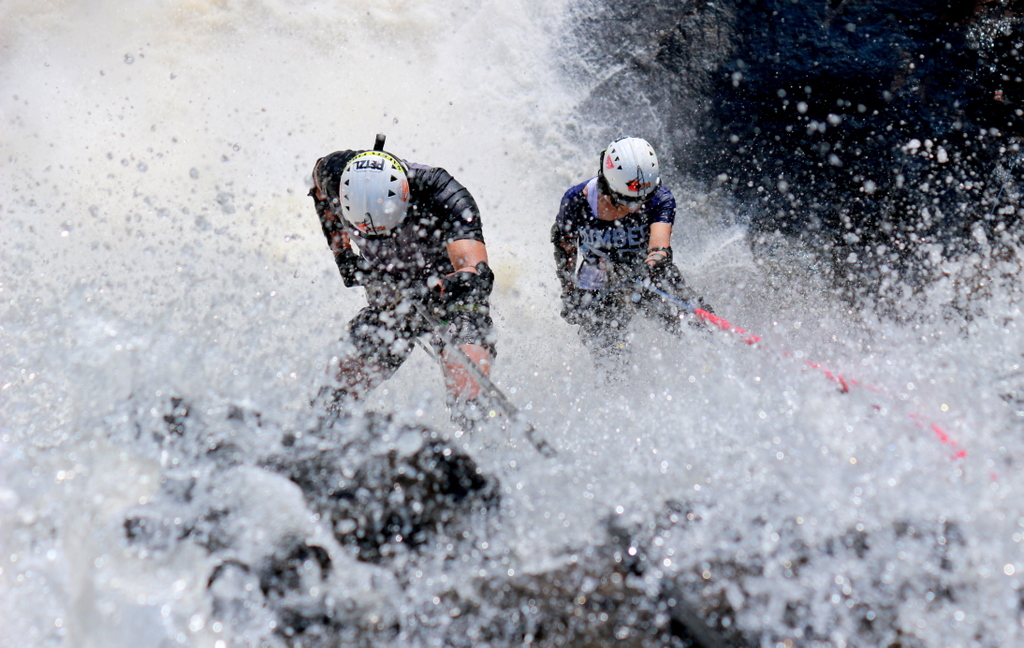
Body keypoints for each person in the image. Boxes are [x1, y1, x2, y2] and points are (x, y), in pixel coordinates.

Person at [309, 134, 495, 429]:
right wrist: (342, 254)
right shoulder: (333, 172)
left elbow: (475, 273)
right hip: (392, 295)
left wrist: (444, 289)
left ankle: (480, 434)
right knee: (334, 398)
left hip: (450, 296)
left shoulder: (442, 192)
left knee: (468, 391)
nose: (378, 238)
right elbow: (319, 193)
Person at [551, 136, 711, 369]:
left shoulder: (660, 198)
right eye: (628, 201)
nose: (637, 207)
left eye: (643, 200)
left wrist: (650, 266)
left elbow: (660, 246)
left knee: (696, 324)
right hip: (597, 282)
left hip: (647, 274)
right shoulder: (576, 201)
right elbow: (564, 246)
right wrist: (569, 291)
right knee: (611, 358)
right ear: (609, 185)